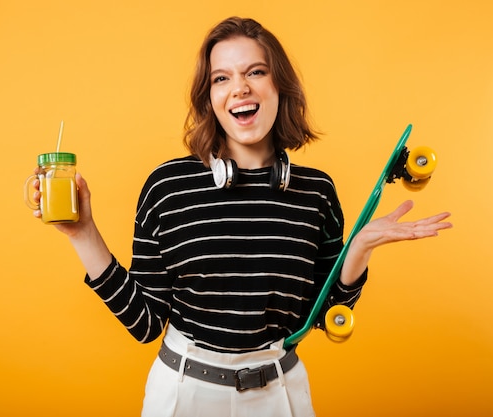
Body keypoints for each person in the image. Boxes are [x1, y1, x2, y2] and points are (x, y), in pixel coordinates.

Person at [30, 16, 452, 417]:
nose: (239, 89)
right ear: (209, 97)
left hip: (280, 394)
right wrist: (82, 233)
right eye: (221, 78)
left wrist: (358, 250)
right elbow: (144, 323)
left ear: (279, 86)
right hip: (182, 393)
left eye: (255, 72)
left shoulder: (317, 193)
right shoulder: (167, 186)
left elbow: (325, 313)